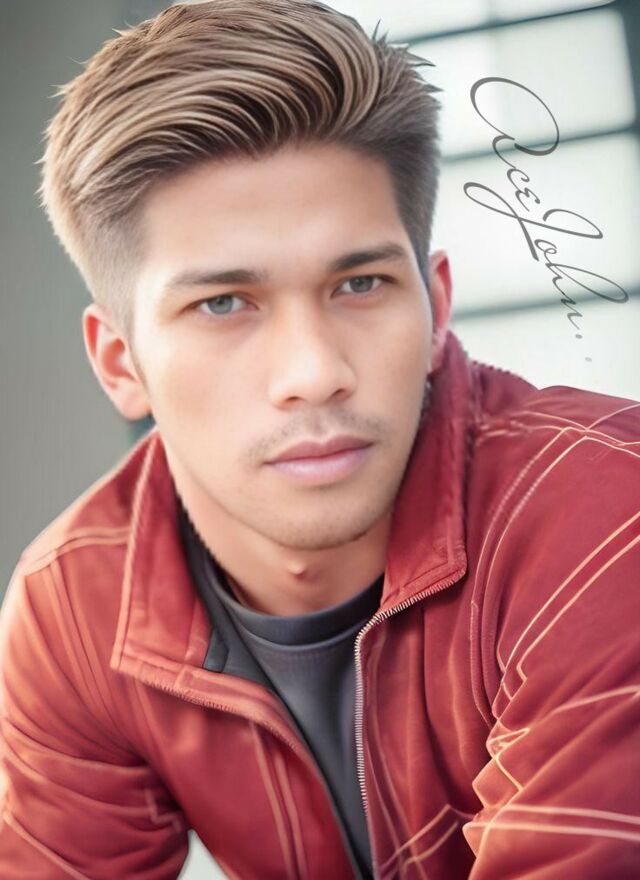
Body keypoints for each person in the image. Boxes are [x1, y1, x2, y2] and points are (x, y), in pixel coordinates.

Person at [1, 1, 638, 877]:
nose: (313, 371)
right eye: (223, 303)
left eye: (361, 284)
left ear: (435, 305)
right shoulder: (76, 605)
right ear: (121, 362)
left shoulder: (607, 509)